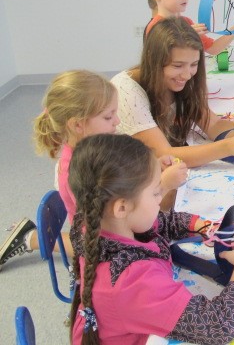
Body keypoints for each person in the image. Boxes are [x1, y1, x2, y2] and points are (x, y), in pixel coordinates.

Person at [69, 133, 234, 344]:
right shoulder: (132, 282)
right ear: (122, 207)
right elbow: (218, 325)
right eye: (155, 193)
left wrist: (209, 228)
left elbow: (162, 223)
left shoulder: (97, 221)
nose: (161, 198)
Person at [0, 71, 186, 270]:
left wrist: (153, 168)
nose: (117, 121)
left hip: (104, 230)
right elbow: (122, 218)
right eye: (108, 116)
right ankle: (33, 238)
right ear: (78, 124)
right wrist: (164, 185)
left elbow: (125, 176)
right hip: (103, 244)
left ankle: (34, 237)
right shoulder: (78, 171)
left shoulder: (97, 148)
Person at [112, 16, 234, 172]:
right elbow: (163, 153)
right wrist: (228, 147)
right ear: (152, 59)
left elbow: (213, 125)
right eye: (177, 66)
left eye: (194, 64)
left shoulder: (185, 80)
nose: (186, 75)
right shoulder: (126, 90)